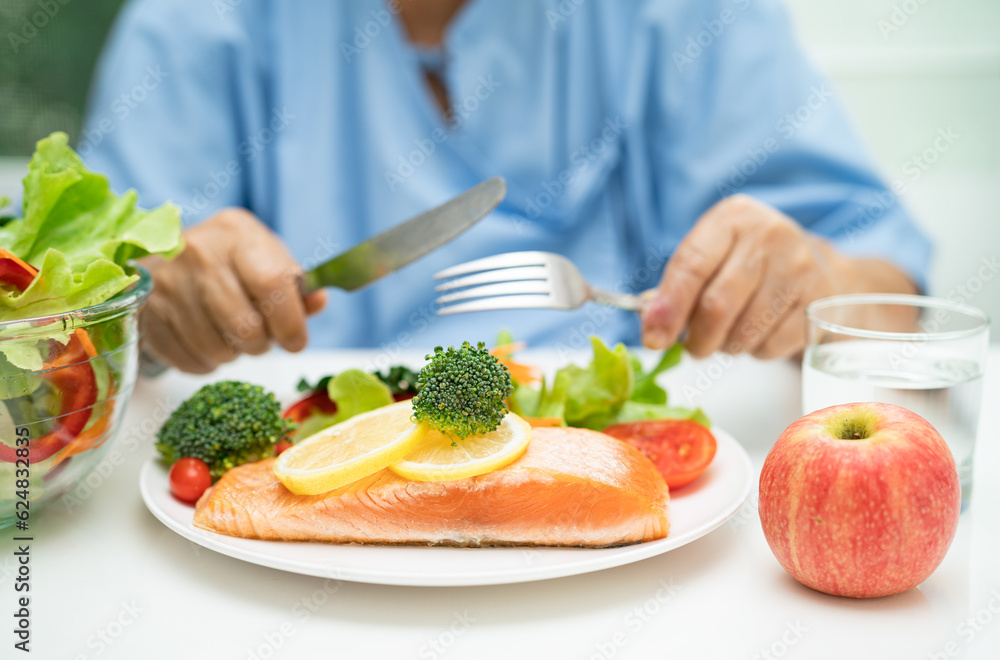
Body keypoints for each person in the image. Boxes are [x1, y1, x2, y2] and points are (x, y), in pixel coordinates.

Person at [82, 0, 929, 374]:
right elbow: (65, 335)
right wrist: (143, 310)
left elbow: (895, 309)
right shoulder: (195, 20)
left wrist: (823, 290)